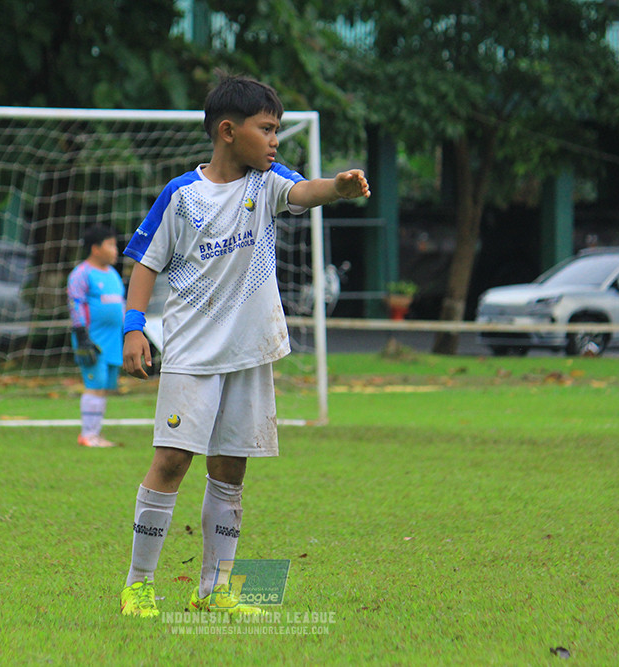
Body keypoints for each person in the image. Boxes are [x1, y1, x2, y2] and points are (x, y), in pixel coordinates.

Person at [117, 74, 370, 618]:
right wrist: (133, 326)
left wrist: (339, 188)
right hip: (192, 357)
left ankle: (215, 592)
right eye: (268, 129)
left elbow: (305, 191)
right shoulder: (182, 195)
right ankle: (138, 584)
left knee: (231, 471)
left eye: (278, 129)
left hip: (251, 354)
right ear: (228, 131)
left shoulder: (268, 181)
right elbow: (145, 261)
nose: (276, 140)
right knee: (171, 462)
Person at [67, 224, 125, 448]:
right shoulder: (81, 274)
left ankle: (95, 434)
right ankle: (87, 435)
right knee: (94, 384)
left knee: (104, 387)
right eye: (110, 244)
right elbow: (76, 304)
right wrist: (82, 334)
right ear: (95, 248)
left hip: (113, 341)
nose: (115, 249)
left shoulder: (112, 274)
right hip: (93, 340)